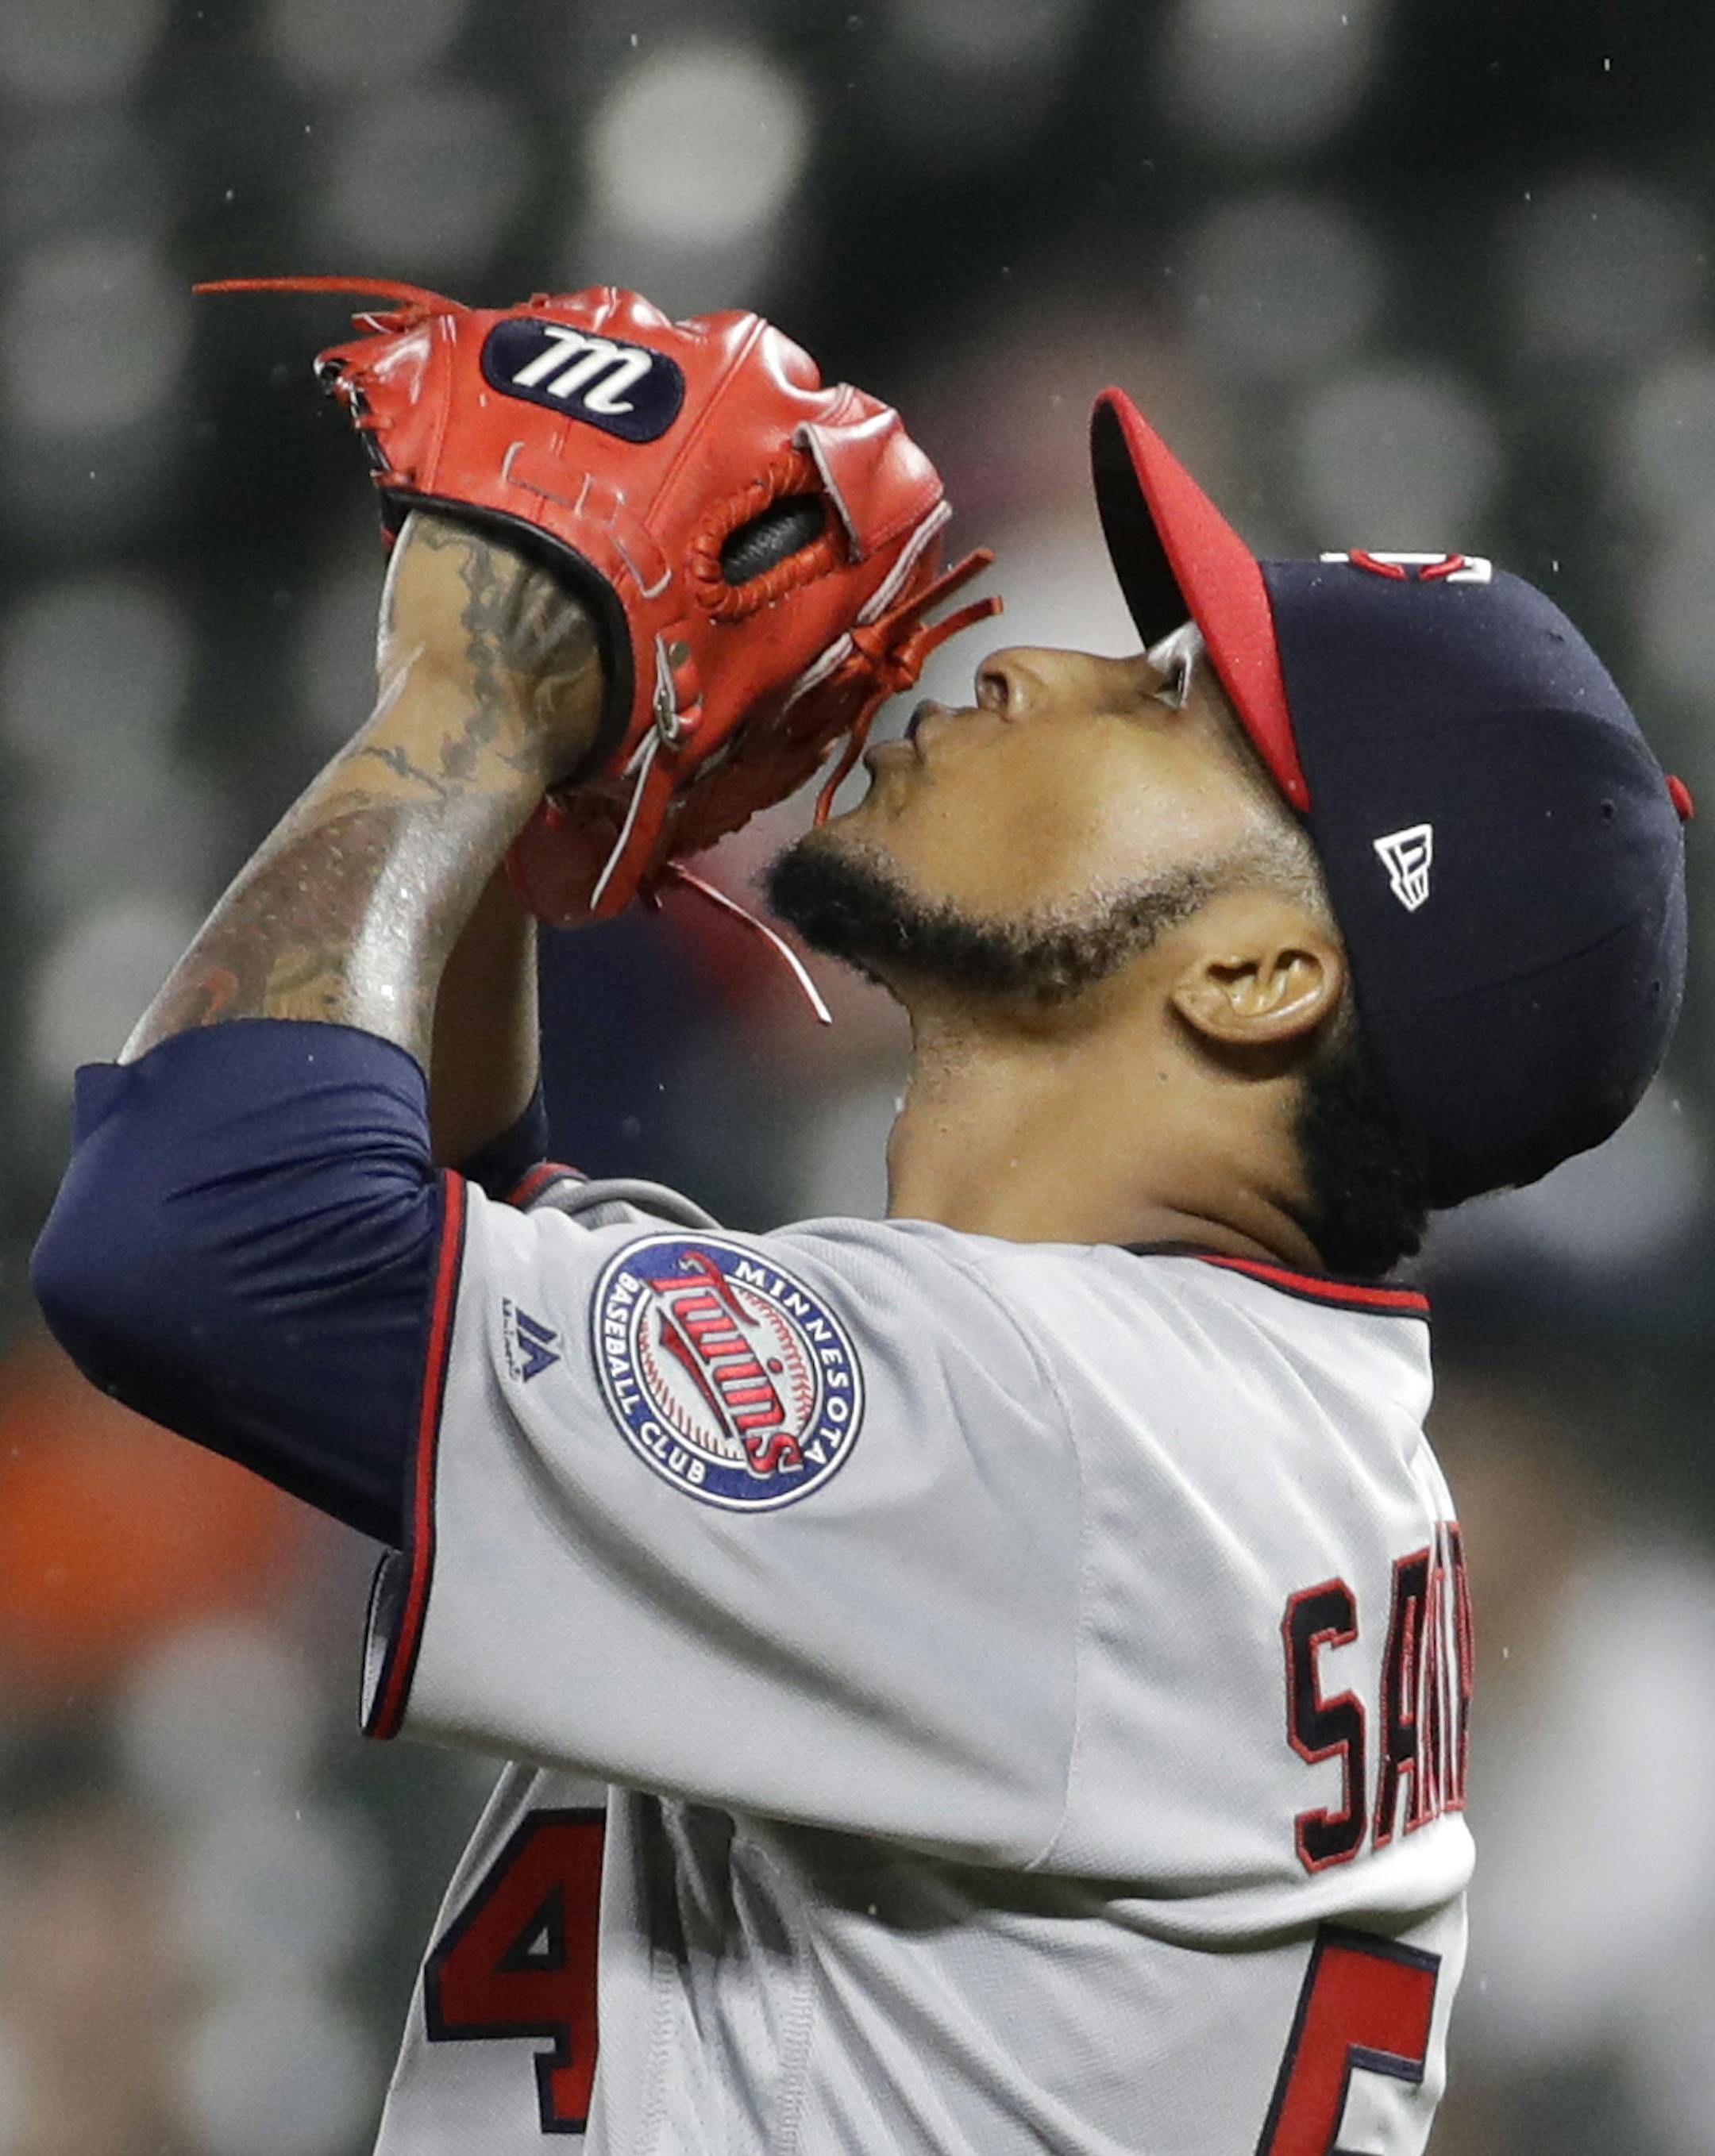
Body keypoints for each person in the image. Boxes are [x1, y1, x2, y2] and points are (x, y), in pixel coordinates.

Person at [30, 383, 1687, 2154]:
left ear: (1261, 976)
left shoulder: (1056, 1440)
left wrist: (473, 698)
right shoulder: (1191, 1432)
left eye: (1165, 699)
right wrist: (526, 818)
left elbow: (197, 1239)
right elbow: (452, 1239)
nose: (1027, 667)